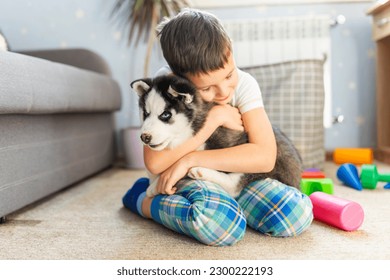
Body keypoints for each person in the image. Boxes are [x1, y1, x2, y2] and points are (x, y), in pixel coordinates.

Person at [123, 8, 313, 246]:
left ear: (230, 49)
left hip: (235, 179)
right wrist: (215, 118)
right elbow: (155, 163)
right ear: (178, 78)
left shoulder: (245, 86)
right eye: (206, 88)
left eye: (228, 75)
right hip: (189, 179)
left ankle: (234, 207)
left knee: (294, 214)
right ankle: (144, 201)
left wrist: (190, 160)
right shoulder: (166, 85)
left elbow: (264, 157)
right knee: (218, 226)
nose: (224, 92)